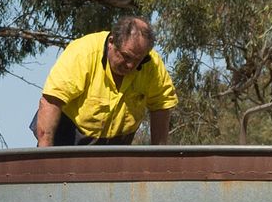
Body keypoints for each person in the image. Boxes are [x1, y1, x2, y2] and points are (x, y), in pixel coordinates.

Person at [31, 16, 177, 146]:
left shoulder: (152, 65)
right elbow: (51, 101)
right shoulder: (83, 53)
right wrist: (46, 154)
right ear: (111, 42)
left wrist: (159, 155)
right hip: (67, 136)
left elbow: (161, 106)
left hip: (117, 145)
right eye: (126, 56)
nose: (130, 65)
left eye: (137, 60)